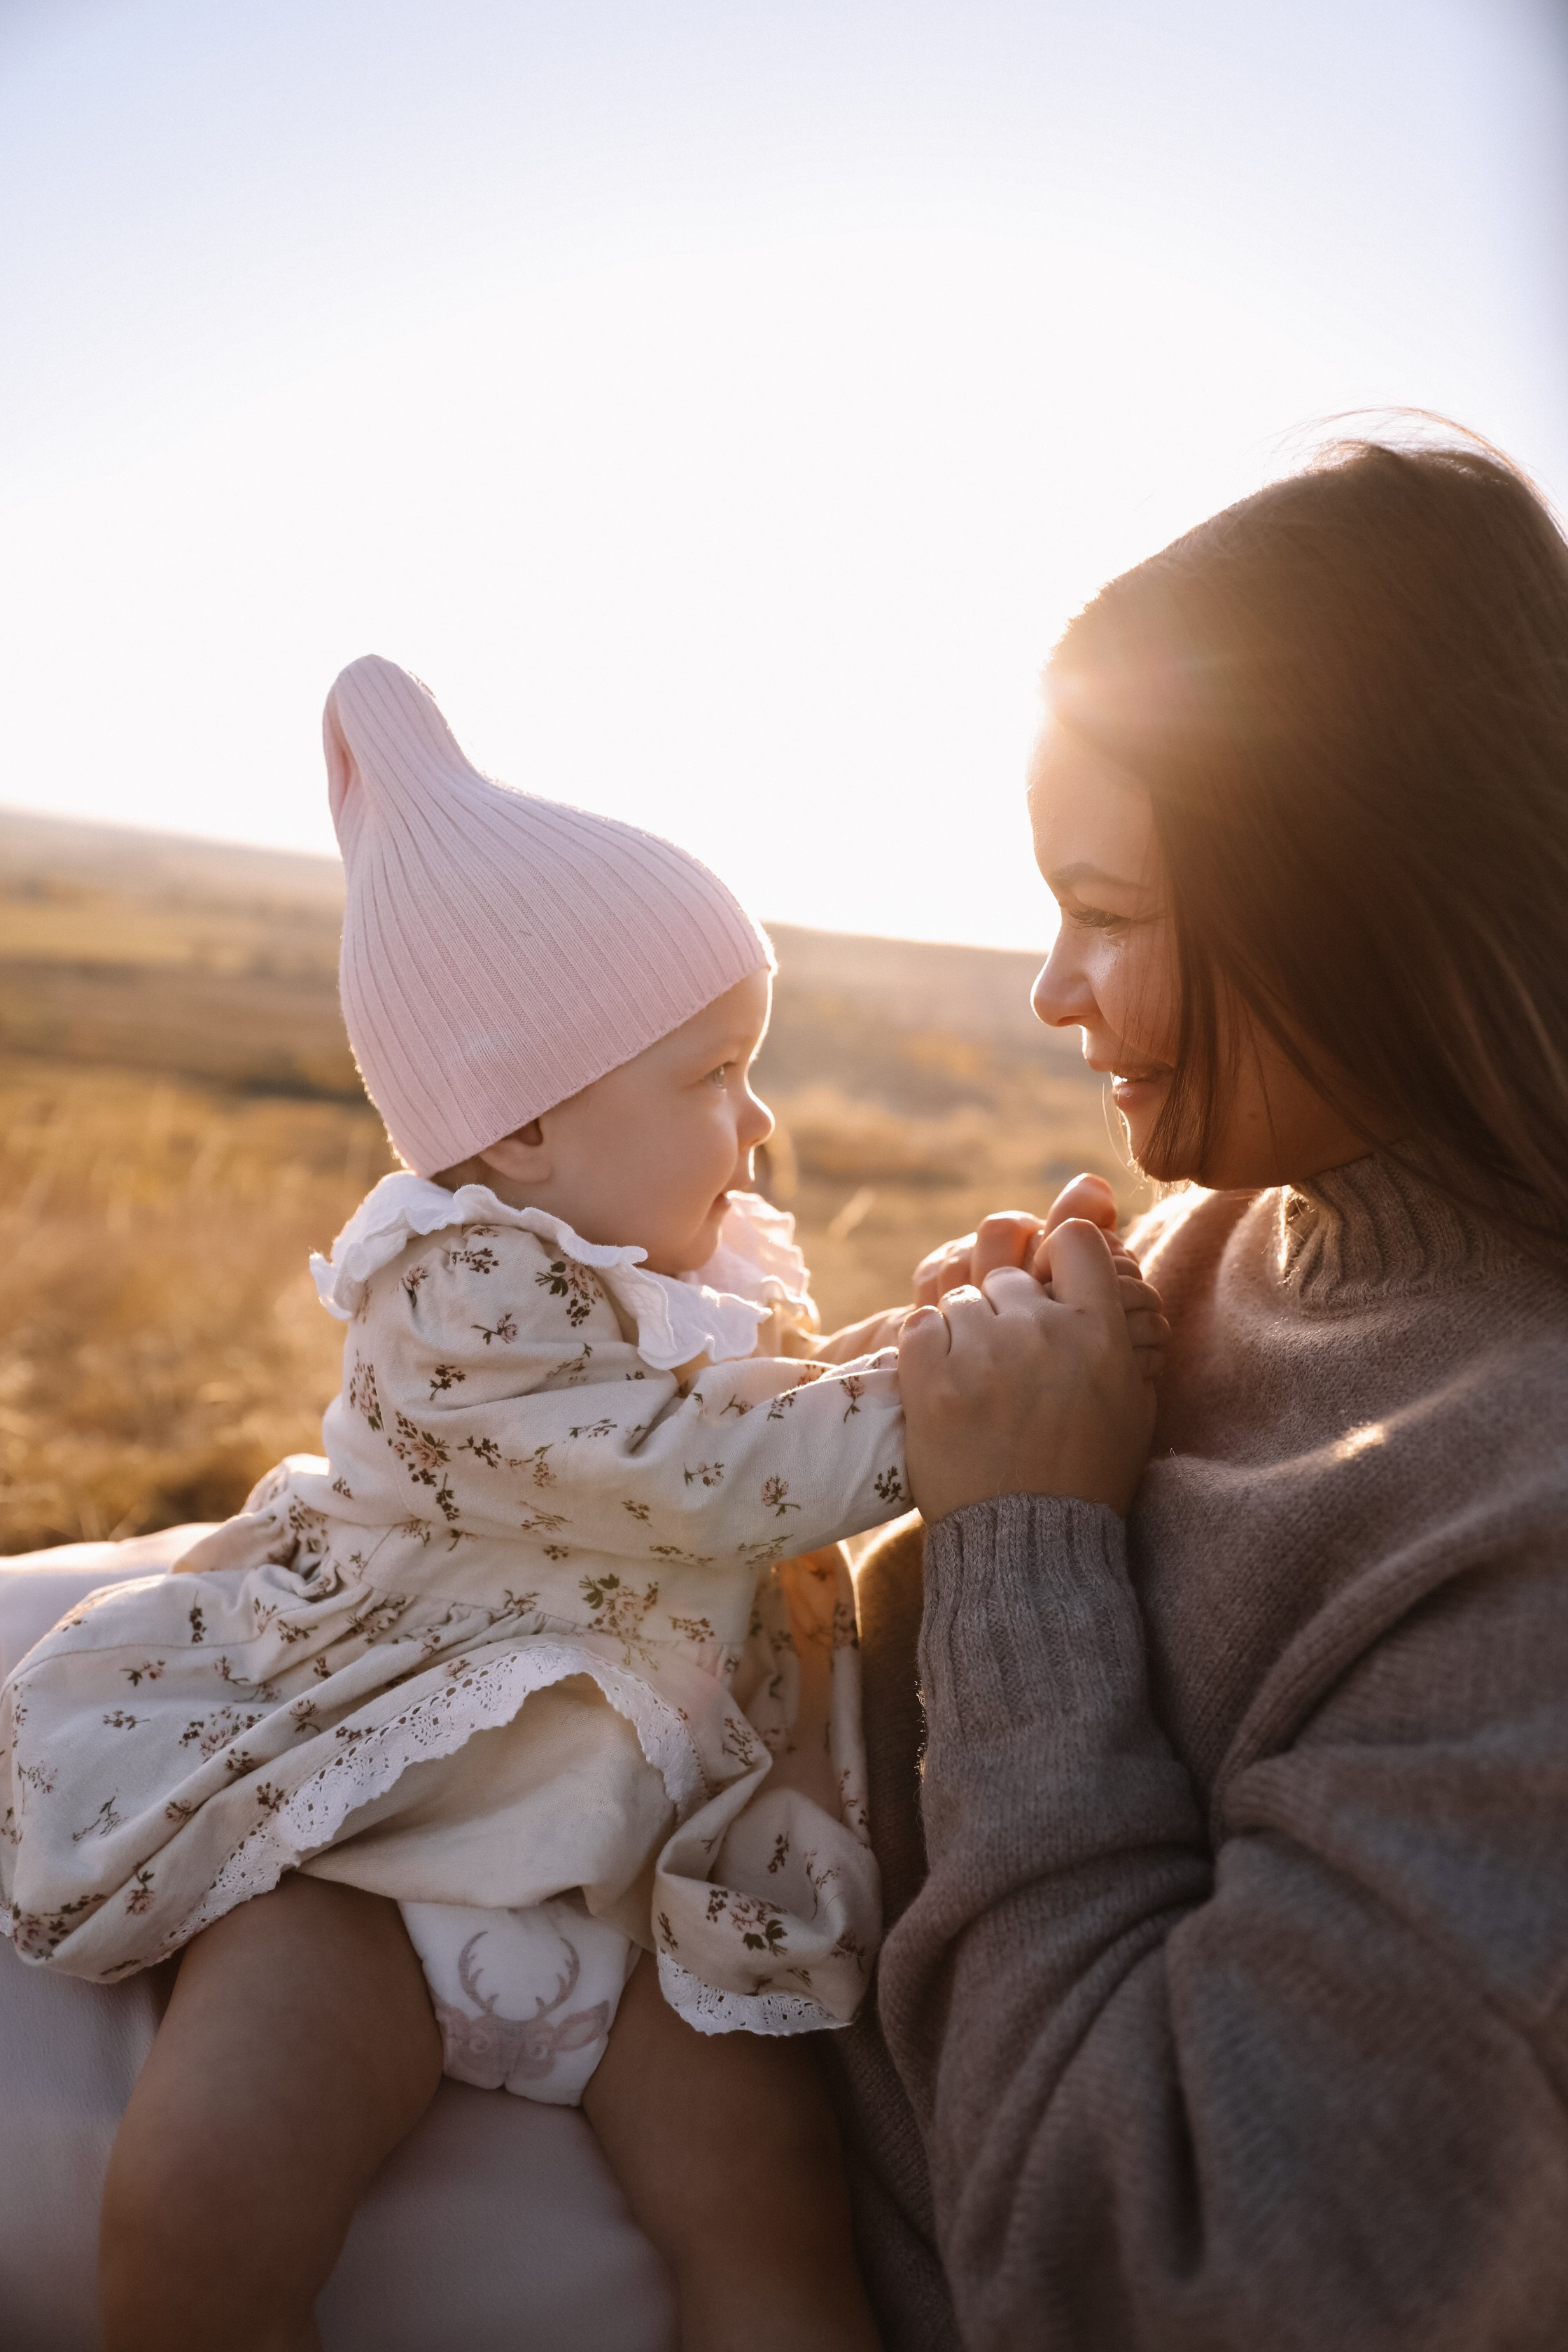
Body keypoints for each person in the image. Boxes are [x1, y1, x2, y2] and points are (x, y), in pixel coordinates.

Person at [0, 651, 1166, 2352]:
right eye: (711, 1075)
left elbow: (736, 1415)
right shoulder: (461, 1301)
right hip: (387, 1847)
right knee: (202, 2200)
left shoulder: (679, 1264)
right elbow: (702, 1476)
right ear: (527, 1123)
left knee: (773, 2235)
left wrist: (934, 1336)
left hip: (643, 1881)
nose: (758, 1124)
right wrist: (974, 1405)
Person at [836, 431, 1568, 2350]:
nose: (1054, 993)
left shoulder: (1527, 1534)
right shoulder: (1224, 1242)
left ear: (1358, 896)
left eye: (1110, 907)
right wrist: (916, 1456)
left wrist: (1019, 1548)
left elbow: (1184, 2279)